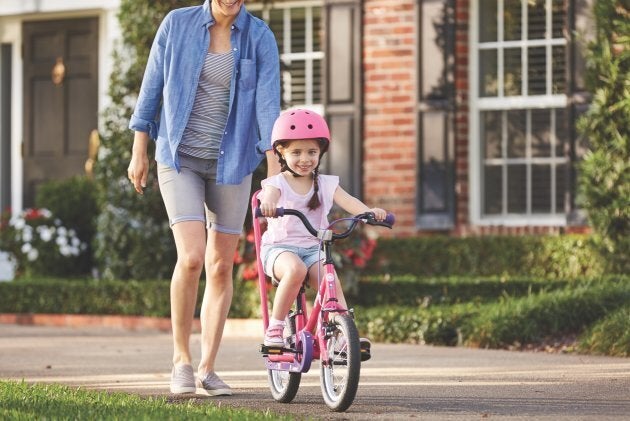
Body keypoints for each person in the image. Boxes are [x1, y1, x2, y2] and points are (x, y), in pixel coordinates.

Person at [127, 0, 281, 396]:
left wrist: (274, 174)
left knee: (219, 265)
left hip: (233, 163)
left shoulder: (259, 36)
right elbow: (152, 86)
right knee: (193, 256)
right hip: (179, 158)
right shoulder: (177, 25)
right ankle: (181, 359)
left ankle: (208, 368)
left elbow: (267, 105)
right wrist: (138, 149)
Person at [258, 109, 387, 348]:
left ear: (321, 153)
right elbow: (270, 195)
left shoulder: (325, 184)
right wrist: (268, 204)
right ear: (281, 152)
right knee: (295, 270)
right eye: (296, 152)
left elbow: (348, 202)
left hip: (312, 249)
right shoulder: (277, 183)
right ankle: (275, 329)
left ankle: (341, 334)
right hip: (279, 249)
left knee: (331, 280)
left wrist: (369, 212)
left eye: (312, 152)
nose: (305, 158)